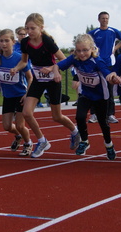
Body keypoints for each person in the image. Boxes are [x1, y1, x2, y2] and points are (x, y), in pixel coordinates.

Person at [9, 13, 80, 158]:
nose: (29, 31)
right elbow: (24, 61)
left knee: (57, 116)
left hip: (52, 79)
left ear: (41, 28)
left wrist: (52, 68)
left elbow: (63, 59)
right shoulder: (25, 43)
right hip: (38, 78)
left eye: (32, 28)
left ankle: (75, 131)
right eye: (27, 28)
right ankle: (42, 141)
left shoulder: (47, 41)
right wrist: (16, 68)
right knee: (27, 112)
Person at [53, 34, 116, 160]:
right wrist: (56, 72)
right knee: (80, 117)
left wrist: (111, 77)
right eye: (79, 50)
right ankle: (85, 141)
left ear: (92, 49)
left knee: (103, 122)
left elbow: (107, 72)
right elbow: (57, 65)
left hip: (100, 96)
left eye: (85, 50)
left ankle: (109, 145)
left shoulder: (97, 61)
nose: (82, 54)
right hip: (86, 93)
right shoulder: (74, 59)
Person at [0, 28, 33, 156]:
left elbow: (30, 77)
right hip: (7, 95)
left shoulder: (19, 58)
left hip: (20, 95)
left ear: (13, 42)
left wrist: (27, 94)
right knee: (7, 126)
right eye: (1, 41)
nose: (4, 44)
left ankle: (28, 143)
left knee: (20, 125)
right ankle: (18, 136)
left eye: (6, 41)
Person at [88, 11, 121, 124]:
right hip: (96, 63)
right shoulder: (94, 32)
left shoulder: (113, 31)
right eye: (103, 18)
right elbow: (86, 41)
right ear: (99, 19)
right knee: (94, 87)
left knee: (109, 88)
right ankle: (94, 114)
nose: (105, 20)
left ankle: (110, 114)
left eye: (106, 18)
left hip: (109, 63)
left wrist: (115, 48)